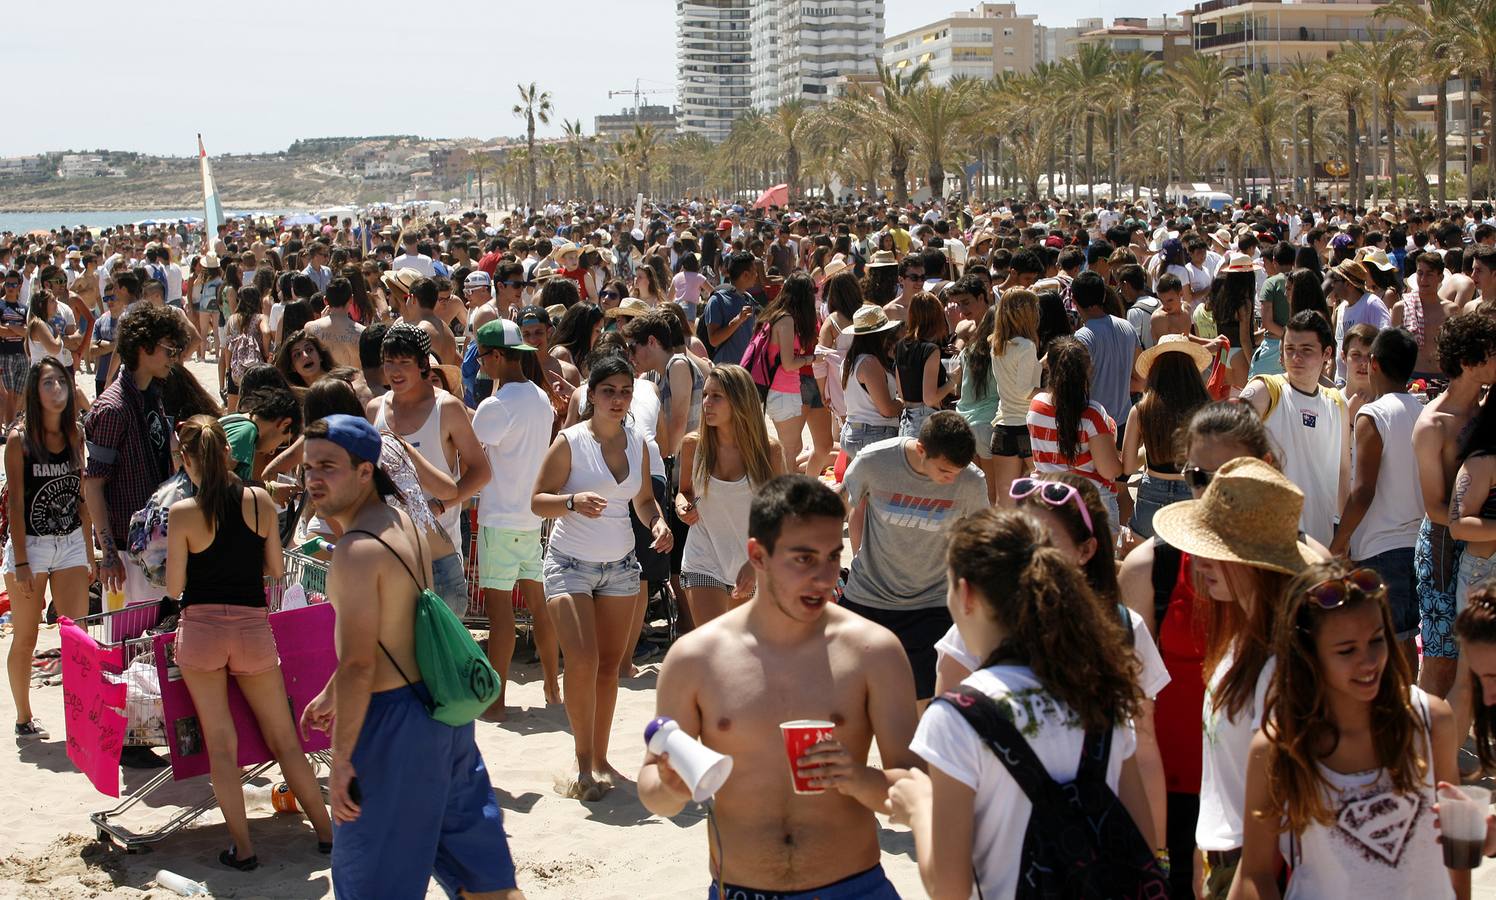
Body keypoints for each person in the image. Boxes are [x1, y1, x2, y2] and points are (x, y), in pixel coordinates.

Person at [639, 474, 917, 900]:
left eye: (832, 557)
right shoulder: (695, 660)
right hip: (741, 889)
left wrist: (857, 778)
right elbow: (653, 787)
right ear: (758, 556)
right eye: (804, 559)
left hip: (853, 886)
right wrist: (670, 789)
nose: (824, 578)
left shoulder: (873, 652)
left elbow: (916, 793)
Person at [297, 416, 522, 899]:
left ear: (364, 471)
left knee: (373, 880)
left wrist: (339, 761)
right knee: (481, 873)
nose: (314, 478)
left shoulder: (356, 550)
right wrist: (331, 691)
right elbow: (397, 627)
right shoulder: (404, 520)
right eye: (308, 466)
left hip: (391, 726)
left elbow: (361, 664)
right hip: (443, 713)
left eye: (328, 467)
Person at [889, 507, 1157, 900]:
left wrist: (919, 807)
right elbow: (1143, 839)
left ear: (965, 594)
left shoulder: (957, 715)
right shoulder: (1102, 692)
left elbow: (949, 887)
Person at [1233, 560, 1462, 900]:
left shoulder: (1432, 722)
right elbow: (1256, 874)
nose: (1369, 662)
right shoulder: (1278, 748)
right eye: (1346, 650)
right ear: (1308, 656)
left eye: (1377, 640)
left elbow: (1456, 846)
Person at [163, 415, 333, 870]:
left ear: (187, 460)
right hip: (253, 630)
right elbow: (277, 572)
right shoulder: (259, 501)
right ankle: (326, 833)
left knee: (222, 745)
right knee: (285, 738)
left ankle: (243, 848)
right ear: (229, 454)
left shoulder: (182, 513)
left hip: (201, 632)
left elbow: (175, 585)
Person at [1151, 458, 1318, 899]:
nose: (1201, 560)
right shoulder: (1239, 638)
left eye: (1219, 549)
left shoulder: (1286, 664)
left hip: (1263, 872)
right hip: (1224, 859)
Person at [532, 354, 672, 801]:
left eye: (625, 391)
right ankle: (581, 759)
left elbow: (644, 501)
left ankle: (600, 757)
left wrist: (659, 523)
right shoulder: (571, 441)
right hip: (569, 562)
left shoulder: (639, 444)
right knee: (585, 660)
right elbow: (538, 500)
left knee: (611, 668)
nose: (617, 399)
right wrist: (571, 502)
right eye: (608, 390)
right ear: (591, 395)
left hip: (620, 567)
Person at [841, 411, 988, 703]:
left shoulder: (971, 482)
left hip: (931, 605)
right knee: (851, 702)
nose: (951, 480)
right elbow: (844, 504)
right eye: (945, 471)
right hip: (868, 598)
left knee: (928, 707)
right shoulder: (875, 460)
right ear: (922, 449)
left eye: (958, 472)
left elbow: (982, 542)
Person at [368, 323, 490, 617]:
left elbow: (481, 471)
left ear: (423, 364)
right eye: (389, 362)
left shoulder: (446, 408)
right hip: (390, 552)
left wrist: (441, 505)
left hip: (440, 557)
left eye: (404, 362)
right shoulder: (374, 409)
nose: (395, 371)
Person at [472, 319, 561, 714]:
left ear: (495, 356)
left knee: (501, 616)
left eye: (483, 356)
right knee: (538, 607)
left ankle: (498, 700)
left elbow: (475, 452)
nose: (481, 364)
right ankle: (551, 688)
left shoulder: (495, 406)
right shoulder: (540, 398)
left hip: (499, 518)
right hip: (530, 516)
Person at [5, 359, 92, 739]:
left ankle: (81, 715)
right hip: (32, 547)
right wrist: (21, 560)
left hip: (70, 542)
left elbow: (82, 496)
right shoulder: (19, 441)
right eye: (47, 382)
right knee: (26, 636)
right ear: (34, 391)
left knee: (77, 636)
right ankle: (24, 716)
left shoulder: (75, 434)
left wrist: (89, 551)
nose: (56, 387)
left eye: (61, 380)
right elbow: (16, 506)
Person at [1330, 328, 1424, 669]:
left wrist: (1339, 540)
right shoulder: (1422, 411)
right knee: (1406, 648)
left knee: (1383, 652)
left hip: (1379, 550)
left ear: (1375, 364)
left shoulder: (1373, 415)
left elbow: (1363, 490)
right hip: (1417, 545)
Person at [1415, 315, 1496, 697]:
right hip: (1443, 549)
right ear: (1468, 360)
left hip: (1478, 546)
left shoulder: (1486, 410)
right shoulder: (1433, 424)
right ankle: (1422, 748)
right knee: (1441, 658)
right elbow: (1434, 508)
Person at [675, 364, 784, 625]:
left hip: (750, 558)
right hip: (703, 556)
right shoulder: (693, 445)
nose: (706, 403)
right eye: (705, 395)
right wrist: (683, 507)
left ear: (739, 401)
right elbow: (684, 492)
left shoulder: (769, 452)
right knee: (713, 644)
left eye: (717, 396)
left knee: (742, 649)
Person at [1240, 311, 1349, 546]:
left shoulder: (1337, 403)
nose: (1296, 357)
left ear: (1327, 353)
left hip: (1321, 542)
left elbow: (1343, 475)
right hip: (1269, 542)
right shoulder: (1264, 390)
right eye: (1290, 349)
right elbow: (1228, 453)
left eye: (1306, 350)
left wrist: (1345, 539)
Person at [1122, 335, 1212, 538]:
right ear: (1191, 369)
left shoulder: (1141, 409)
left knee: (1150, 567)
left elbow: (1127, 468)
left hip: (1151, 497)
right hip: (1193, 493)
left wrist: (1150, 449)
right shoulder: (1206, 408)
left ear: (1155, 370)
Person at [1028, 336, 1124, 525]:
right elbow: (1109, 471)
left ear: (1050, 367)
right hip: (1090, 501)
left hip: (1047, 501)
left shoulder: (1036, 406)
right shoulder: (1093, 415)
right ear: (1088, 371)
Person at [759, 272, 831, 475]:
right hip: (788, 389)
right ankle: (784, 501)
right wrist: (812, 359)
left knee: (800, 449)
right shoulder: (786, 320)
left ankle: (795, 495)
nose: (815, 295)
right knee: (789, 451)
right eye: (813, 291)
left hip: (795, 388)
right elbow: (789, 363)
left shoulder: (787, 317)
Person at [989, 288, 1042, 505]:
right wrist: (1050, 393)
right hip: (1027, 427)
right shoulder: (1027, 346)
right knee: (1044, 491)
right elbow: (1024, 391)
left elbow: (1013, 381)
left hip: (1003, 426)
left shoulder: (997, 345)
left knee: (1005, 500)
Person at [1072, 270, 1140, 431]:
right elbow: (1141, 376)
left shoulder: (1082, 337)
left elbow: (1077, 388)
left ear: (1074, 301)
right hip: (1124, 422)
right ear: (1103, 297)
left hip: (1094, 426)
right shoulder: (1127, 326)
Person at [893, 292, 954, 438]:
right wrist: (953, 381)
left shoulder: (900, 346)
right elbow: (930, 398)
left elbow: (901, 393)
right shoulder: (931, 350)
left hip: (907, 421)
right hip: (926, 421)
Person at [955, 306, 1000, 503]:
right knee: (992, 493)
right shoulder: (1000, 352)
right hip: (988, 424)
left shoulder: (967, 351)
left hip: (965, 425)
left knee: (975, 493)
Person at [702, 251, 759, 364]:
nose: (757, 275)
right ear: (745, 275)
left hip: (745, 370)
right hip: (726, 372)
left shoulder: (748, 298)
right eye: (754, 272)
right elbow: (714, 340)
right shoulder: (717, 300)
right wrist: (738, 320)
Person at [304, 277, 364, 370]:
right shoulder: (363, 333)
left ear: (325, 300)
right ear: (351, 299)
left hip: (324, 382)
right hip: (354, 382)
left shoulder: (310, 328)